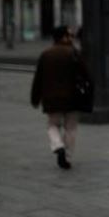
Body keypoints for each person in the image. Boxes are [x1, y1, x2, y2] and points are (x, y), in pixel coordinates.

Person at [30, 26, 90, 170]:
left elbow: (38, 78)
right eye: (69, 35)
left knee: (52, 125)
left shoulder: (46, 54)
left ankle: (58, 145)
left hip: (52, 98)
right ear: (63, 37)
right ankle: (67, 158)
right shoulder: (74, 53)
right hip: (73, 98)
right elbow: (87, 75)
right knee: (71, 128)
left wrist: (35, 98)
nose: (71, 38)